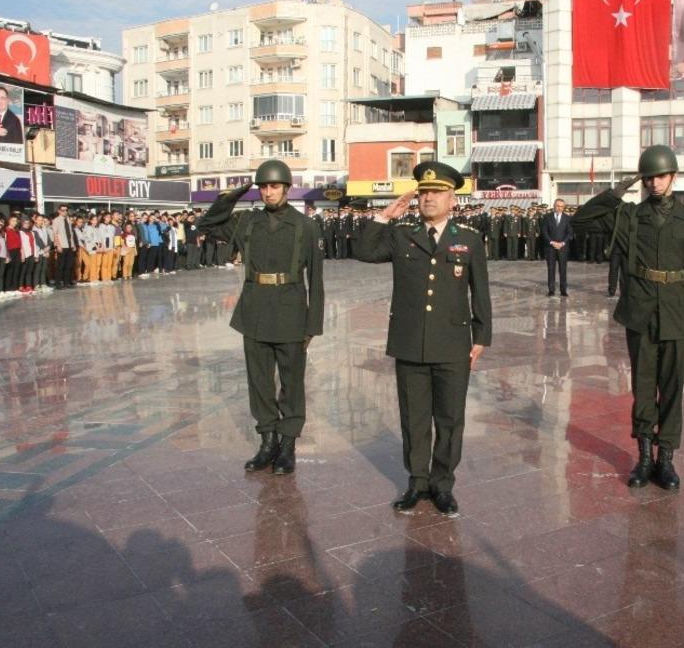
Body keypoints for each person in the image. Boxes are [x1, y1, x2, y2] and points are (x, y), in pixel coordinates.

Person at [572, 146, 684, 491]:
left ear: (674, 177)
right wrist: (616, 191)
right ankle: (645, 457)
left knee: (671, 388)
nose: (654, 182)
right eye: (648, 177)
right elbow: (581, 220)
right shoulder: (629, 216)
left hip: (677, 314)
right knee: (642, 387)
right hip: (640, 313)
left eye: (660, 176)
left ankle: (666, 459)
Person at [353, 161, 492, 515]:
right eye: (424, 192)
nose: (429, 198)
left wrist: (481, 337)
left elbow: (481, 293)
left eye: (437, 193)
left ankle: (442, 485)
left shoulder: (468, 239)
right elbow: (365, 252)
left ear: (452, 199)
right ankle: (416, 482)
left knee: (449, 418)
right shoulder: (403, 235)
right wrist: (385, 216)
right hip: (410, 341)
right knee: (414, 417)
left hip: (453, 343)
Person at [198, 159, 324, 474]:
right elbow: (208, 224)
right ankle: (267, 441)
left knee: (291, 383)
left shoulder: (305, 226)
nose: (268, 192)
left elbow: (317, 280)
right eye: (264, 187)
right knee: (259, 381)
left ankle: (287, 445)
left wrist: (313, 325)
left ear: (286, 188)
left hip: (291, 310)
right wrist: (232, 196)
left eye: (274, 186)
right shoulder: (247, 223)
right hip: (254, 310)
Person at [541, 199, 573, 297]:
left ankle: (563, 290)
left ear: (564, 207)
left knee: (563, 270)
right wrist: (551, 242)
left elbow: (570, 233)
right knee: (551, 269)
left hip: (563, 248)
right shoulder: (547, 217)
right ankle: (551, 290)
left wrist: (562, 243)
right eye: (558, 206)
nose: (559, 208)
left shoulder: (567, 218)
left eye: (561, 206)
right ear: (554, 206)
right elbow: (544, 232)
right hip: (550, 248)